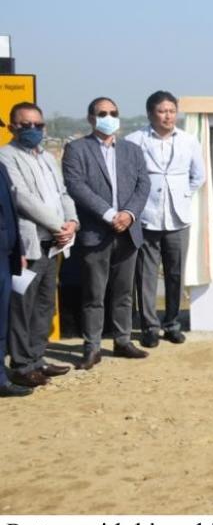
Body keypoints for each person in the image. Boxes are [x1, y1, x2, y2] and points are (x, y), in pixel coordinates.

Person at [62, 96, 152, 369]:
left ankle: (123, 340)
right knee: (94, 294)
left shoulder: (132, 150)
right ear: (91, 118)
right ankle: (92, 347)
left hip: (128, 232)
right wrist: (110, 214)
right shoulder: (77, 149)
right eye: (103, 113)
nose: (109, 117)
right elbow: (76, 186)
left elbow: (143, 184)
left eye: (113, 112)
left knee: (124, 293)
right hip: (96, 233)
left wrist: (129, 214)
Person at [0, 102, 79, 389]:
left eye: (38, 125)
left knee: (45, 305)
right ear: (12, 127)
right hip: (29, 245)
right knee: (23, 306)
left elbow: (63, 193)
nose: (33, 130)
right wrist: (59, 226)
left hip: (54, 245)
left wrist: (71, 222)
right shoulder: (6, 157)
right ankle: (21, 365)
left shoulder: (47, 158)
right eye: (26, 125)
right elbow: (22, 198)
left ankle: (36, 357)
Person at [127, 91, 205, 348]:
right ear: (151, 113)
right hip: (147, 216)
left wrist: (182, 195)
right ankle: (149, 326)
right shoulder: (134, 140)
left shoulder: (188, 140)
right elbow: (128, 179)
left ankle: (171, 323)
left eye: (172, 110)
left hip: (178, 216)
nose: (168, 116)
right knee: (146, 274)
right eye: (162, 111)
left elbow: (198, 176)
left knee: (175, 272)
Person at [0, 109, 31, 397]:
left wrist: (17, 249)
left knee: (2, 319)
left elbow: (10, 213)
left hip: (6, 253)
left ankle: (1, 378)